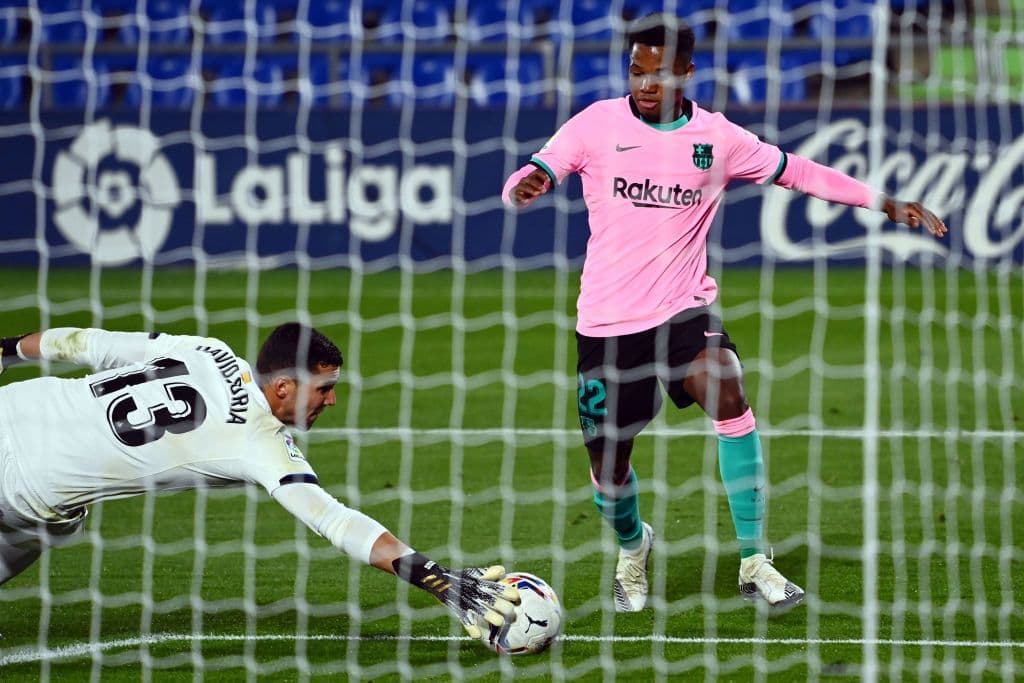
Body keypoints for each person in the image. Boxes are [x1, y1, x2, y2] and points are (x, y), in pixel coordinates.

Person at [502, 13, 947, 614]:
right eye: (636, 71)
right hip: (607, 326)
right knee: (609, 469)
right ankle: (633, 548)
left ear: (687, 72)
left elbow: (799, 172)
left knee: (728, 392)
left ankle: (754, 559)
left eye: (658, 73)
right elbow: (536, 170)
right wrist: (524, 184)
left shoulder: (718, 139)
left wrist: (884, 202)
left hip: (684, 311)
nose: (645, 84)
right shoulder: (595, 124)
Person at [0, 323, 519, 638]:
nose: (331, 401)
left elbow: (81, 342)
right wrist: (429, 575)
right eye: (324, 388)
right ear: (285, 387)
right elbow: (333, 519)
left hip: (17, 416)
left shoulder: (205, 349)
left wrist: (7, 349)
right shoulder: (257, 439)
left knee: (52, 527)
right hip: (27, 485)